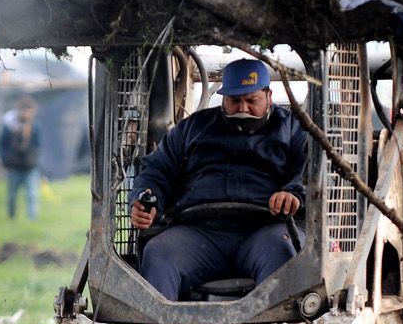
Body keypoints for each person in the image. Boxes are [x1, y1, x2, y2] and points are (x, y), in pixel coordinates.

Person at [130, 59, 307, 300]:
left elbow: (310, 171)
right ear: (223, 98)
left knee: (284, 250)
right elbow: (157, 169)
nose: (243, 108)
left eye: (251, 100)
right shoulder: (193, 128)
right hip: (200, 233)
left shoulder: (293, 129)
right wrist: (145, 199)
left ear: (268, 96)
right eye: (235, 101)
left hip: (266, 230)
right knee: (159, 252)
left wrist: (293, 192)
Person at [0, 96, 42, 220]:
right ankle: (11, 218)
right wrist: (5, 160)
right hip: (14, 167)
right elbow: (2, 144)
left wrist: (35, 159)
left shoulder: (35, 127)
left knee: (32, 195)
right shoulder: (10, 126)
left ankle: (32, 220)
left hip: (30, 167)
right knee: (11, 196)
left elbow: (39, 145)